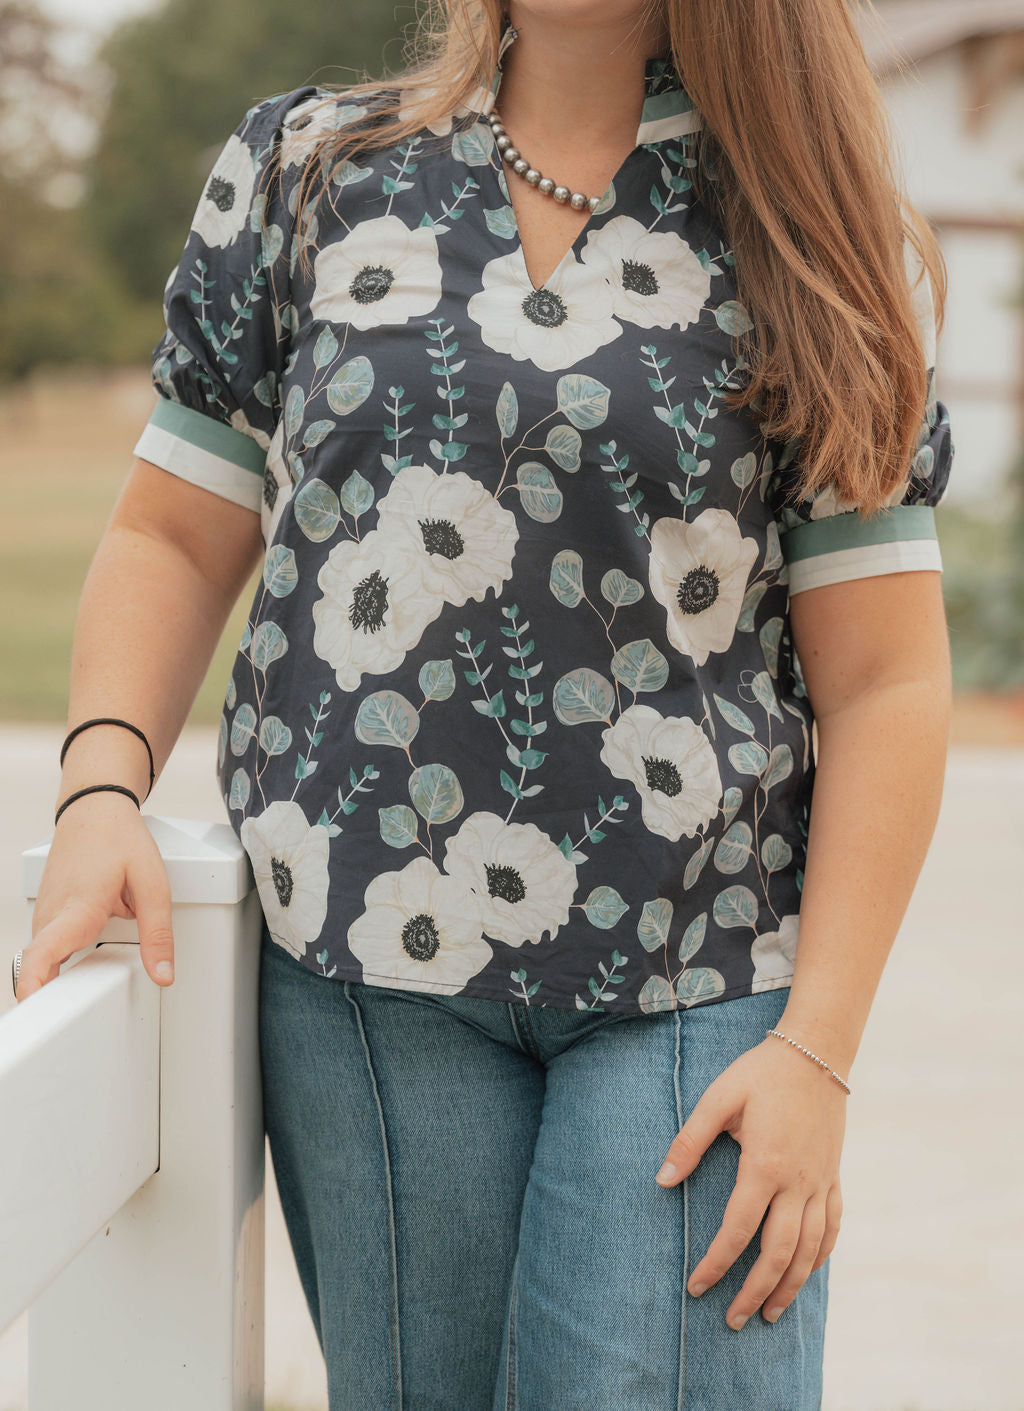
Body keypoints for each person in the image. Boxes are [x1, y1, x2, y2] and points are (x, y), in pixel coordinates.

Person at [15, 0, 955, 1406]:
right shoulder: (308, 173)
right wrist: (100, 789)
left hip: (695, 984)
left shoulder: (813, 222)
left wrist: (818, 1055)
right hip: (364, 991)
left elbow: (886, 680)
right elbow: (172, 533)